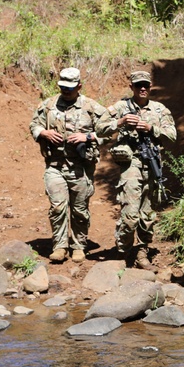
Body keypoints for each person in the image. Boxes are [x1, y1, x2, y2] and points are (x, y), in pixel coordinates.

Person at [29, 67, 115, 263]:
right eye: (62, 87)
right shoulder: (49, 106)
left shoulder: (91, 107)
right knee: (57, 207)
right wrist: (44, 133)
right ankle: (59, 246)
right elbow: (34, 124)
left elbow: (109, 130)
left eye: (70, 87)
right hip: (55, 166)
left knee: (79, 209)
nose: (66, 91)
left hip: (81, 168)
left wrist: (87, 136)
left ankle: (78, 246)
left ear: (79, 86)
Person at [105, 70, 177, 269]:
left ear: (150, 87)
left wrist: (151, 128)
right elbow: (99, 127)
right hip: (131, 164)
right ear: (132, 88)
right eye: (138, 85)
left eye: (145, 85)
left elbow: (172, 135)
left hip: (153, 163)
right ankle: (123, 252)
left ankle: (142, 252)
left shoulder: (160, 110)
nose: (142, 88)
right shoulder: (121, 107)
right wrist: (119, 122)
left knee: (147, 214)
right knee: (130, 214)